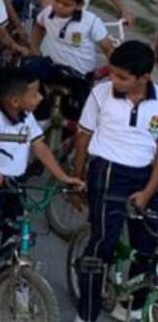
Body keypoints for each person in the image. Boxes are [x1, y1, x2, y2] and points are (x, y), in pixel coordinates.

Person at [0, 67, 82, 301]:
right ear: (14, 100)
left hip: (15, 181)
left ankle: (14, 277)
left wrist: (62, 176)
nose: (41, 97)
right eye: (34, 94)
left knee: (16, 229)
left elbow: (39, 146)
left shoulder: (26, 116)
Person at [73, 41, 158, 322]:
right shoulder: (101, 93)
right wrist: (77, 179)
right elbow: (83, 137)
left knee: (148, 248)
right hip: (107, 173)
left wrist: (147, 192)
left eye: (123, 77)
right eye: (113, 73)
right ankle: (86, 313)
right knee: (102, 246)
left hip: (146, 176)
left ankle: (132, 305)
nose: (114, 80)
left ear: (144, 78)